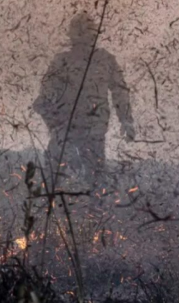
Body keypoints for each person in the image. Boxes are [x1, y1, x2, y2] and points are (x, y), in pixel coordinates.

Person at [33, 13, 135, 189]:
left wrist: (126, 120)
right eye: (80, 34)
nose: (83, 40)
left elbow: (120, 91)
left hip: (91, 131)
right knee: (54, 180)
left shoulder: (105, 60)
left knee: (94, 181)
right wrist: (55, 126)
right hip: (66, 131)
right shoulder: (62, 61)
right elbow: (44, 99)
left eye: (86, 34)